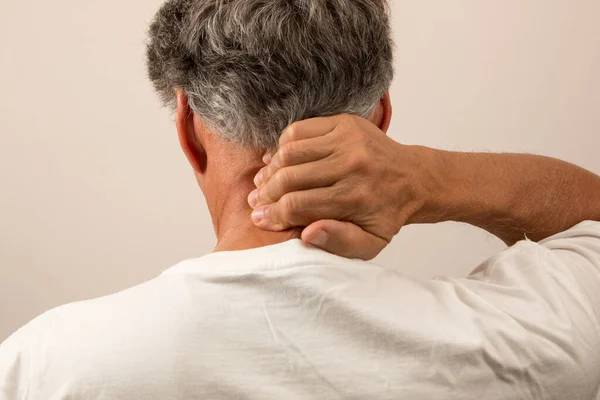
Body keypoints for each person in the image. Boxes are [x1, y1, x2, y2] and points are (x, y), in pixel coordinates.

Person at [1, 0, 599, 399]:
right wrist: (426, 176)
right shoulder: (522, 340)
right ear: (381, 119)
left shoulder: (46, 367)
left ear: (188, 129)